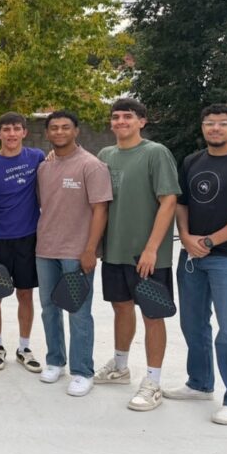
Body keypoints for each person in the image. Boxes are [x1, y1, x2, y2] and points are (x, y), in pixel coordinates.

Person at [165, 104, 227, 425]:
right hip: (192, 257)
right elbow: (181, 204)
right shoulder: (192, 161)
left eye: (223, 124)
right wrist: (185, 236)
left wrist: (210, 241)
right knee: (192, 324)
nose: (215, 129)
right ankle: (199, 383)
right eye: (209, 123)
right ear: (203, 128)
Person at [95, 98, 180, 412]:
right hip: (114, 252)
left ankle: (153, 382)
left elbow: (168, 202)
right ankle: (120, 366)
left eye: (127, 117)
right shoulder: (105, 155)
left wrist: (151, 248)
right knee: (121, 308)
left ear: (142, 121)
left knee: (153, 316)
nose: (120, 122)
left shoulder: (156, 153)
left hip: (147, 256)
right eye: (115, 117)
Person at [35, 111, 113, 396]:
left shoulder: (91, 166)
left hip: (77, 251)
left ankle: (82, 371)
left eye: (65, 127)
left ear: (76, 131)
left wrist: (90, 249)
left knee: (79, 312)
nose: (59, 132)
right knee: (48, 308)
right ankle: (55, 360)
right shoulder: (44, 167)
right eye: (53, 128)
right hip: (45, 249)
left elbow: (100, 210)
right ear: (47, 133)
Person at [0, 112, 45, 374]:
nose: (12, 134)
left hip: (28, 238)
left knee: (25, 294)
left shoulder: (37, 158)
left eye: (17, 128)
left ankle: (24, 348)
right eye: (6, 129)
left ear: (25, 132)